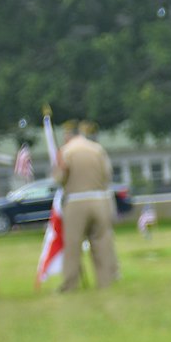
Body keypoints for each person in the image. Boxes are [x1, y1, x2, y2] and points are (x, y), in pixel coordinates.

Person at [53, 120, 119, 291]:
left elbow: (59, 178)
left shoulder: (66, 152)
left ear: (68, 135)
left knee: (73, 245)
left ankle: (70, 284)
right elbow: (107, 174)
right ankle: (105, 281)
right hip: (99, 200)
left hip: (76, 201)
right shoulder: (97, 149)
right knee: (102, 242)